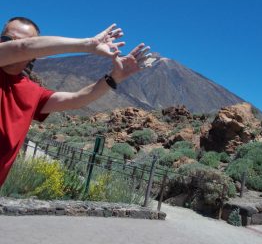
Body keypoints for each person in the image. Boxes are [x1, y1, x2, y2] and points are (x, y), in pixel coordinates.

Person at [0, 16, 152, 187]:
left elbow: (77, 99)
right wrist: (88, 44)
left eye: (26, 43)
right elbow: (21, 48)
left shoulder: (32, 91)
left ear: (35, 54)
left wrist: (114, 77)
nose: (9, 45)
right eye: (6, 40)